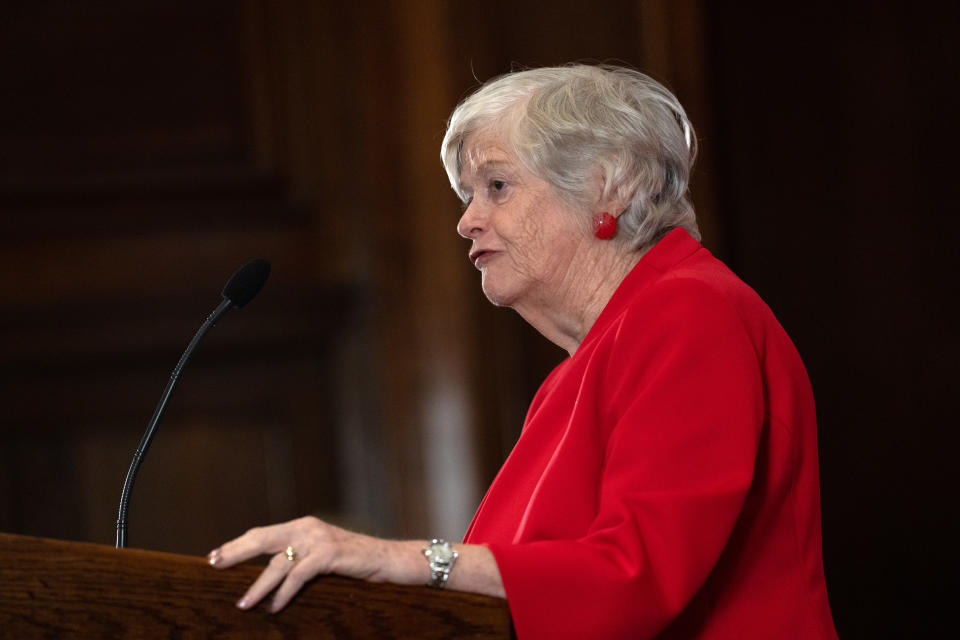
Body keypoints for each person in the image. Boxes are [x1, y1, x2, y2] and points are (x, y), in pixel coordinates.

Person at [207, 64, 838, 639]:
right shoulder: (577, 373)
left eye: (498, 186)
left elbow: (635, 574)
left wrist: (391, 558)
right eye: (468, 196)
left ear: (609, 187)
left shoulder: (692, 311)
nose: (467, 221)